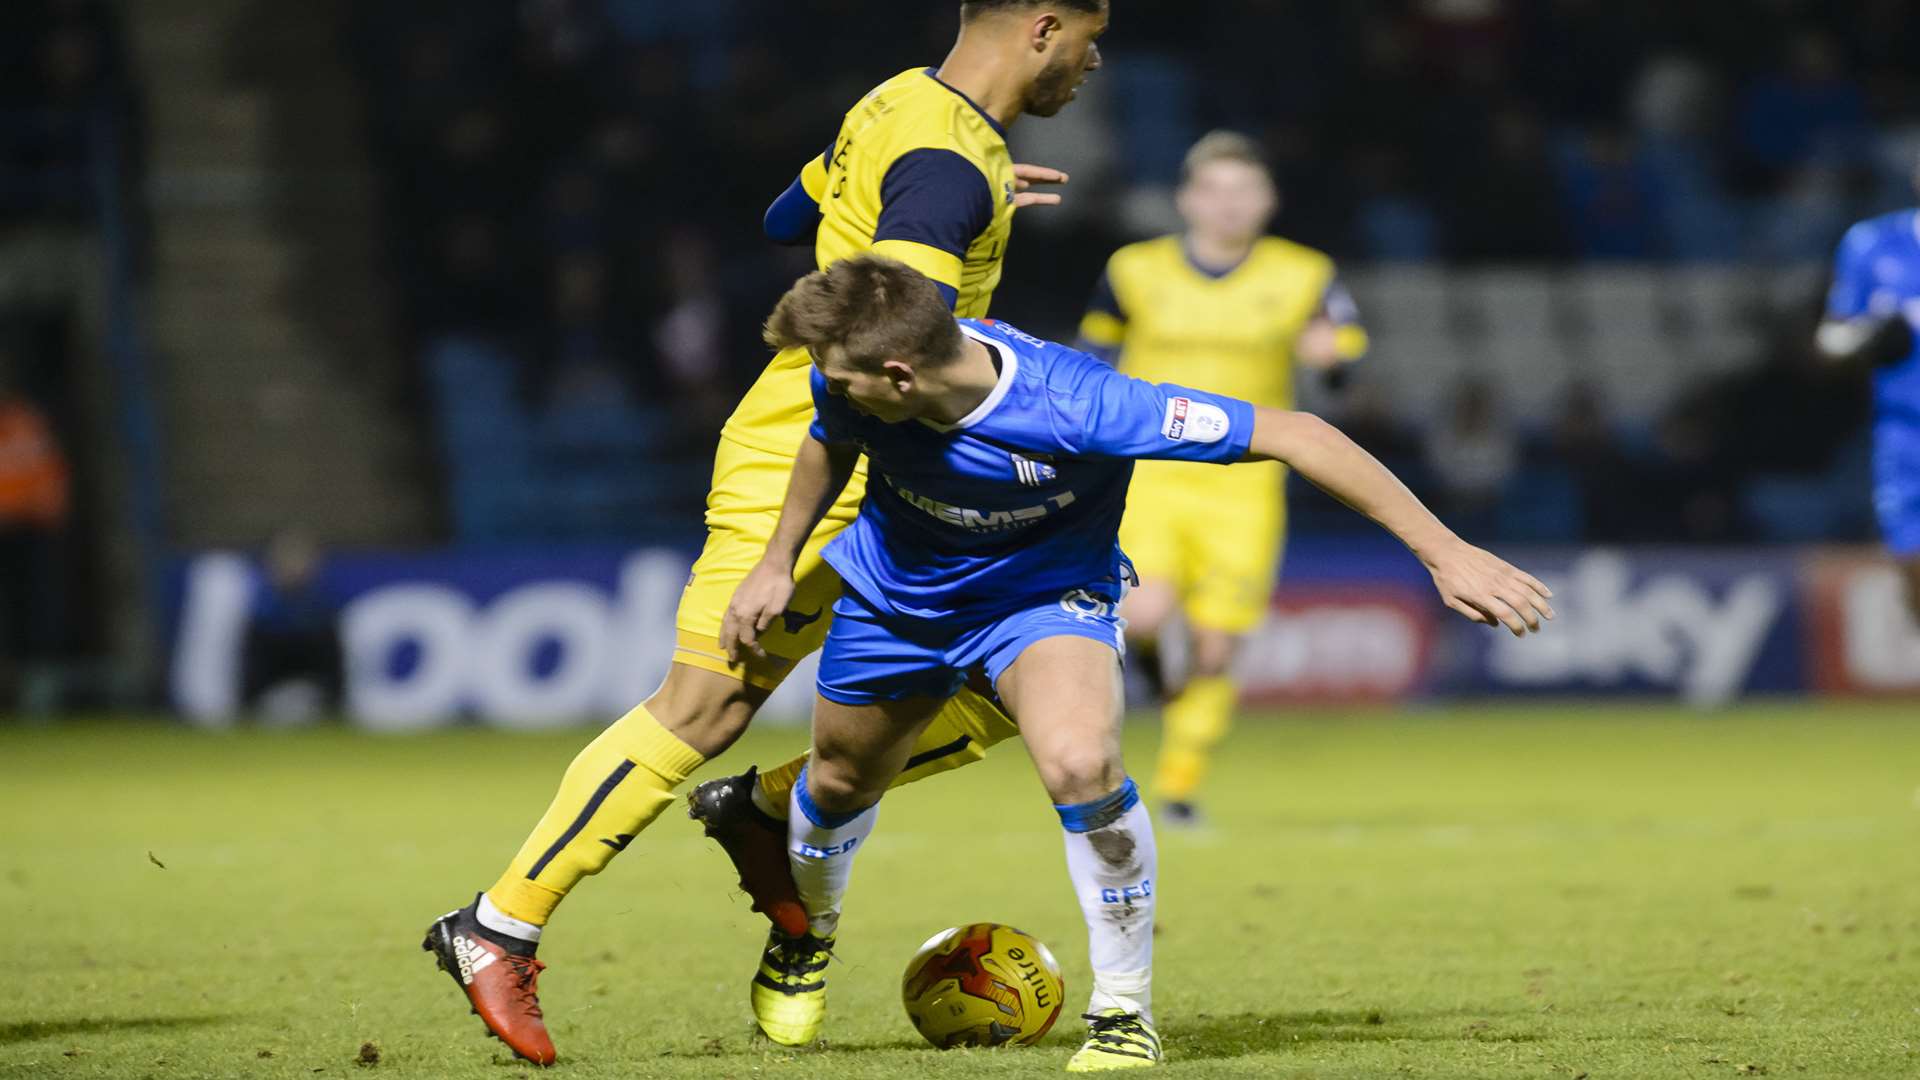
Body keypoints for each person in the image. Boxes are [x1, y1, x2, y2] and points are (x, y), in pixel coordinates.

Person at [421, 0, 1107, 1064]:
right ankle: (497, 924)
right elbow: (887, 358)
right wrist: (943, 208)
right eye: (1092, 37)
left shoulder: (900, 109)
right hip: (826, 455)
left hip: (899, 466)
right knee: (703, 703)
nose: (1095, 62)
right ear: (1044, 26)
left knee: (1021, 685)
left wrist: (943, 208)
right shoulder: (947, 164)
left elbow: (789, 216)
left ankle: (771, 805)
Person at [722, 255, 1553, 1071]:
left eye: (837, 374)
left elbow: (1298, 432)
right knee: (836, 784)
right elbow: (826, 444)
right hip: (897, 598)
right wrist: (774, 562)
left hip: (1044, 600)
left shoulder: (1084, 405)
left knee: (1083, 761)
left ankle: (1123, 1012)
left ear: (901, 376)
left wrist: (1443, 552)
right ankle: (808, 940)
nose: (825, 383)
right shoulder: (855, 372)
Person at [1077, 131, 1367, 825]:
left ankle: (1178, 785)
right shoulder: (1134, 268)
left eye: (1245, 191)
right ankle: (1148, 664)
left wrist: (1331, 359)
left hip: (1247, 480)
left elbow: (1344, 357)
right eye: (1215, 190)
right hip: (1150, 471)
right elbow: (1091, 356)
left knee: (1215, 644)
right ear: (1187, 199)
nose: (1230, 205)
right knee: (1143, 613)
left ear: (1268, 200)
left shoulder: (1304, 273)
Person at [1814, 166, 1920, 625]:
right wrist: (1865, 339)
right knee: (1914, 566)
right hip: (1906, 435)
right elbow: (1829, 339)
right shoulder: (1872, 243)